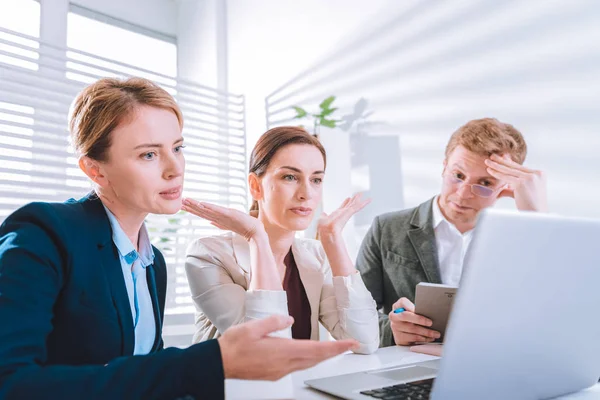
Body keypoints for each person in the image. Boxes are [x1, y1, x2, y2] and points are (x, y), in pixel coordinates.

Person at [0, 78, 358, 400]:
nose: (175, 168)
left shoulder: (150, 262)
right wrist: (208, 364)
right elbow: (10, 384)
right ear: (95, 169)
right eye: (149, 154)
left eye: (178, 147)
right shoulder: (43, 234)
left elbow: (143, 381)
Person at [183, 126, 379, 354]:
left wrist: (333, 240)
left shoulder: (316, 255)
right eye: (290, 177)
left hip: (299, 388)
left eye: (316, 180)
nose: (306, 193)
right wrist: (256, 237)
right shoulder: (208, 254)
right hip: (231, 388)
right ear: (256, 186)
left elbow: (364, 342)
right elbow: (266, 349)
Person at [355, 118, 548, 347]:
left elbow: (550, 316)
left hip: (490, 365)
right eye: (458, 175)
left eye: (485, 182)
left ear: (505, 187)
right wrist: (391, 332)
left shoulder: (521, 240)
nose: (463, 193)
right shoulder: (387, 228)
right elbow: (354, 315)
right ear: (444, 166)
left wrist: (538, 217)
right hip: (408, 364)